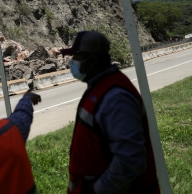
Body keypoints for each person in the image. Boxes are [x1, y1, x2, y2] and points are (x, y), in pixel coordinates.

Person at [61, 31, 160, 194]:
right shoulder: (100, 86)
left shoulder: (116, 97)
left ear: (92, 60)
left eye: (77, 57)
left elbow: (131, 159)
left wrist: (98, 190)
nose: (72, 63)